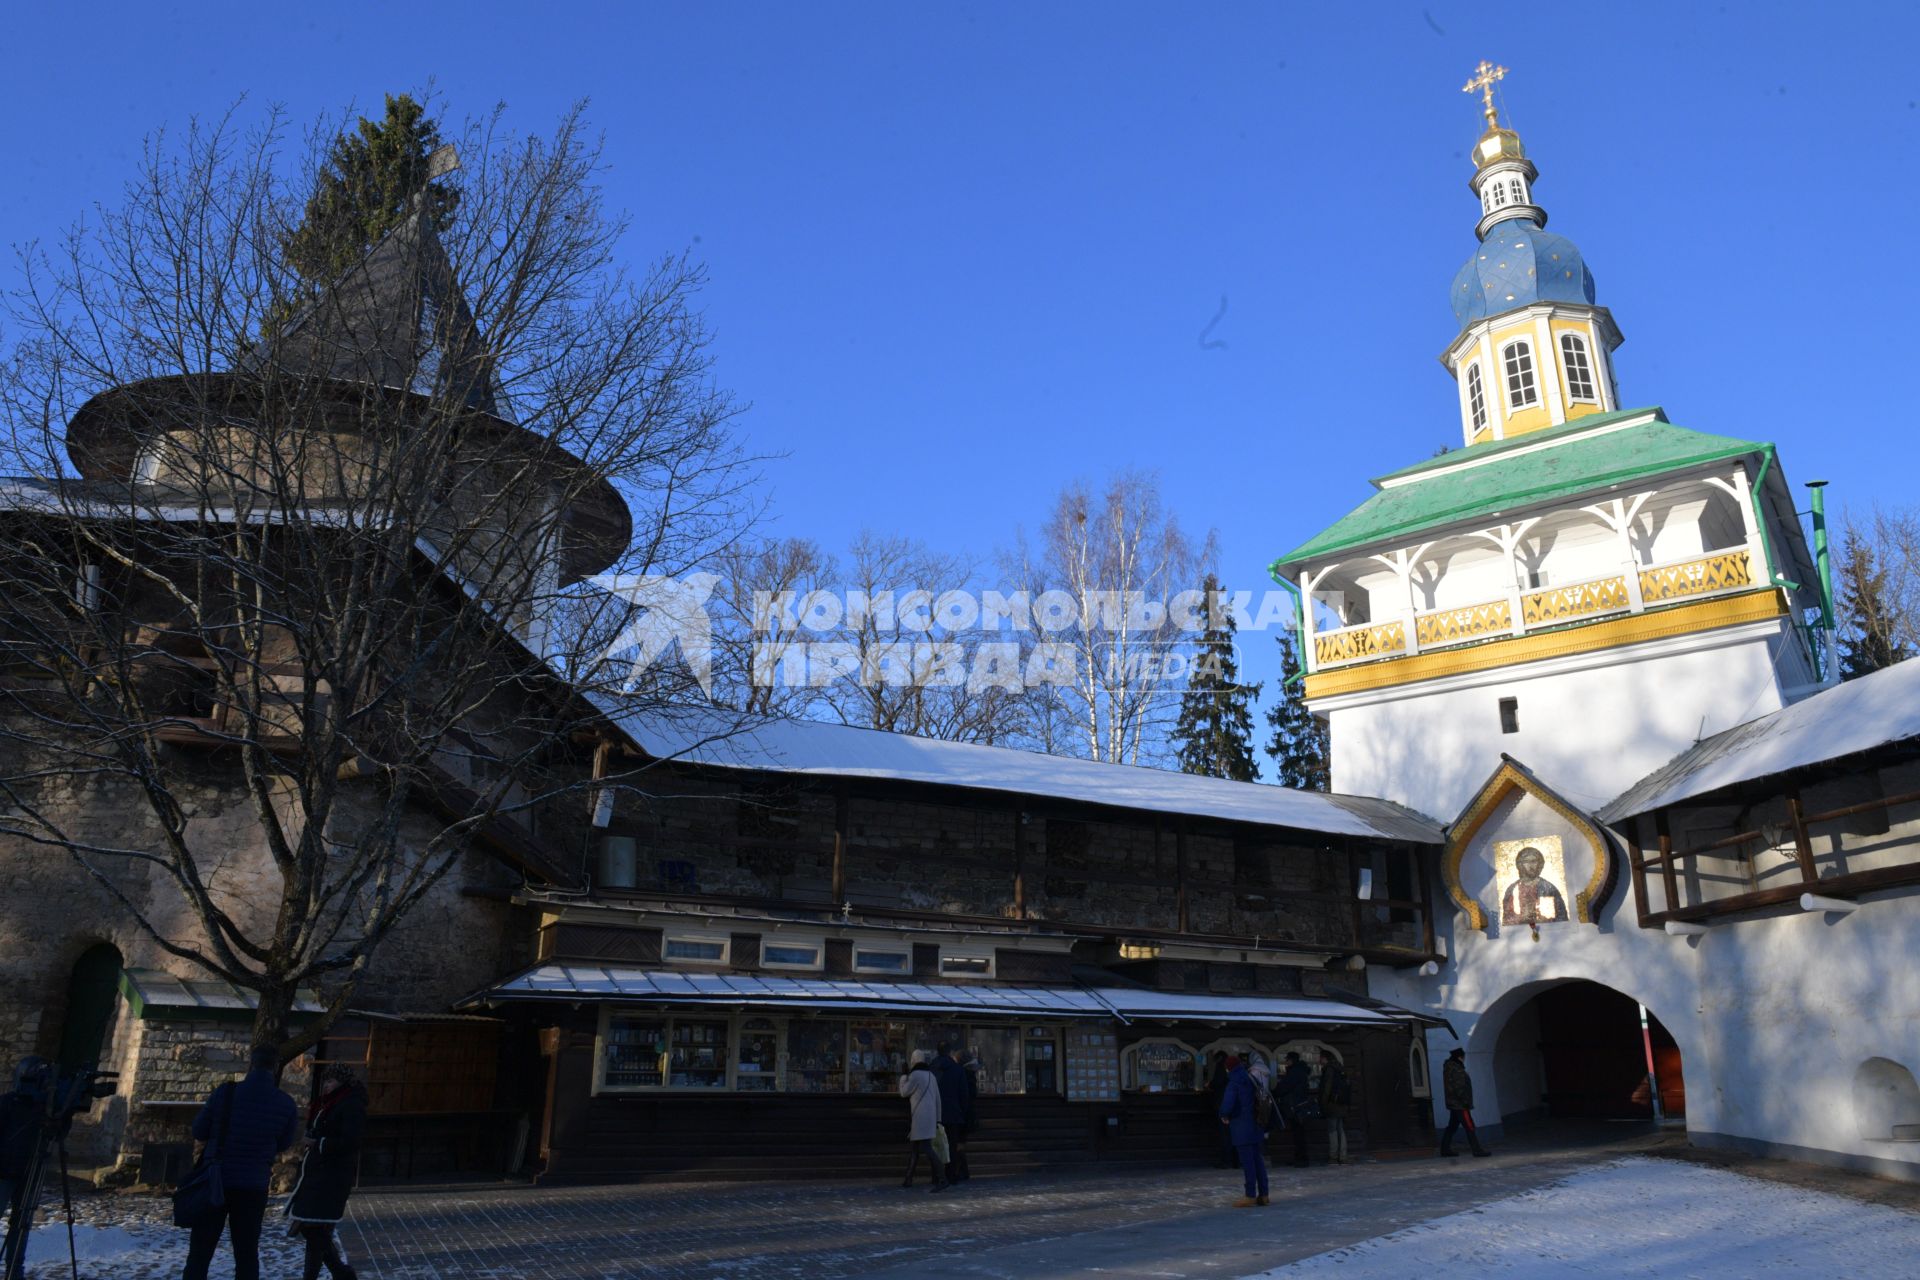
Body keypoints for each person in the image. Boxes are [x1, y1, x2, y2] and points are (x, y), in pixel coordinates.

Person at [181, 1046, 300, 1280]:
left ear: (250, 1065)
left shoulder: (225, 1093)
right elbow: (284, 1143)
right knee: (246, 1252)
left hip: (216, 1179)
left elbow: (199, 1130)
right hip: (253, 1182)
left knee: (200, 1252)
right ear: (275, 1069)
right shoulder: (285, 1103)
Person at [287, 1063, 369, 1279]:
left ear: (342, 1082)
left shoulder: (350, 1104)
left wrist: (318, 1143)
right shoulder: (329, 1103)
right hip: (317, 1174)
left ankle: (339, 1271)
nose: (326, 1085)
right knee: (314, 1226)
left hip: (331, 1176)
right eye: (325, 1080)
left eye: (331, 1081)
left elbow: (350, 1141)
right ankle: (324, 1273)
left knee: (311, 1226)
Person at [1216, 1054, 1268, 1207]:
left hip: (1241, 1126)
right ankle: (1264, 1194)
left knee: (1247, 1162)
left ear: (1228, 1068)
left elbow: (1227, 1103)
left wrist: (1223, 1115)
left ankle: (1250, 1195)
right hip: (1256, 1124)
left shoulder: (1234, 1082)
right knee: (1258, 1160)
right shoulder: (1251, 1077)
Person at [897, 1050, 948, 1192]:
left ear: (913, 1060)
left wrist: (903, 1076)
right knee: (915, 1148)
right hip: (930, 1118)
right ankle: (908, 1178)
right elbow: (938, 1099)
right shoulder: (931, 1075)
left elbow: (904, 1092)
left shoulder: (915, 1075)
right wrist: (938, 1119)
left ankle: (943, 1179)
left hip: (920, 1117)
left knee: (926, 1148)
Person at [931, 1042, 975, 1185]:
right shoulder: (958, 1070)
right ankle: (951, 1175)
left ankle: (937, 1176)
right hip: (954, 1114)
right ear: (950, 1053)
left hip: (935, 1114)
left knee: (936, 1146)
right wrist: (961, 1111)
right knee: (951, 1147)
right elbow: (964, 1095)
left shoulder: (932, 1068)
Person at [1439, 1048, 1491, 1158]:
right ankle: (1477, 1150)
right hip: (1460, 1105)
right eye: (1463, 1057)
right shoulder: (1457, 1069)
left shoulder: (1449, 1068)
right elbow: (1460, 1088)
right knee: (1469, 1126)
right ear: (1460, 1057)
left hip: (1454, 1103)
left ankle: (1444, 1149)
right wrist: (1466, 1102)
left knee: (1452, 1127)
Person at [1501, 846, 1569, 925]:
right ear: (1520, 864)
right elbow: (1507, 919)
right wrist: (1521, 918)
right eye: (1526, 861)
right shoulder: (1512, 889)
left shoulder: (1548, 888)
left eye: (1533, 861)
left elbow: (1561, 918)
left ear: (1539, 864)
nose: (1530, 865)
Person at [1274, 1051, 1313, 1169]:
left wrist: (1274, 1092)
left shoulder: (1294, 1072)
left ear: (1292, 1060)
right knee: (1299, 1133)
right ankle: (1300, 1158)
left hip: (1295, 1106)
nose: (1286, 1062)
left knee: (1298, 1134)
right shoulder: (1300, 1071)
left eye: (1287, 1060)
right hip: (1301, 1105)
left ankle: (1301, 1159)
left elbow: (1284, 1087)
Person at [1318, 1056, 1352, 1165]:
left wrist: (1323, 1103)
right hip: (1342, 1104)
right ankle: (1343, 1156)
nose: (1320, 1060)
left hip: (1332, 1104)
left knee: (1332, 1130)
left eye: (1321, 1057)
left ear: (1326, 1058)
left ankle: (1333, 1156)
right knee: (1340, 1129)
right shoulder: (1341, 1069)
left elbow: (1327, 1088)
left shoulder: (1329, 1070)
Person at [1205, 1051, 1236, 1168]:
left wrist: (1209, 1085)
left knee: (1224, 1134)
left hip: (1223, 1105)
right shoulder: (1233, 1068)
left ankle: (1226, 1161)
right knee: (1231, 1133)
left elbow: (1217, 1082)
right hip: (1232, 1105)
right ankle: (1234, 1161)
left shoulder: (1221, 1067)